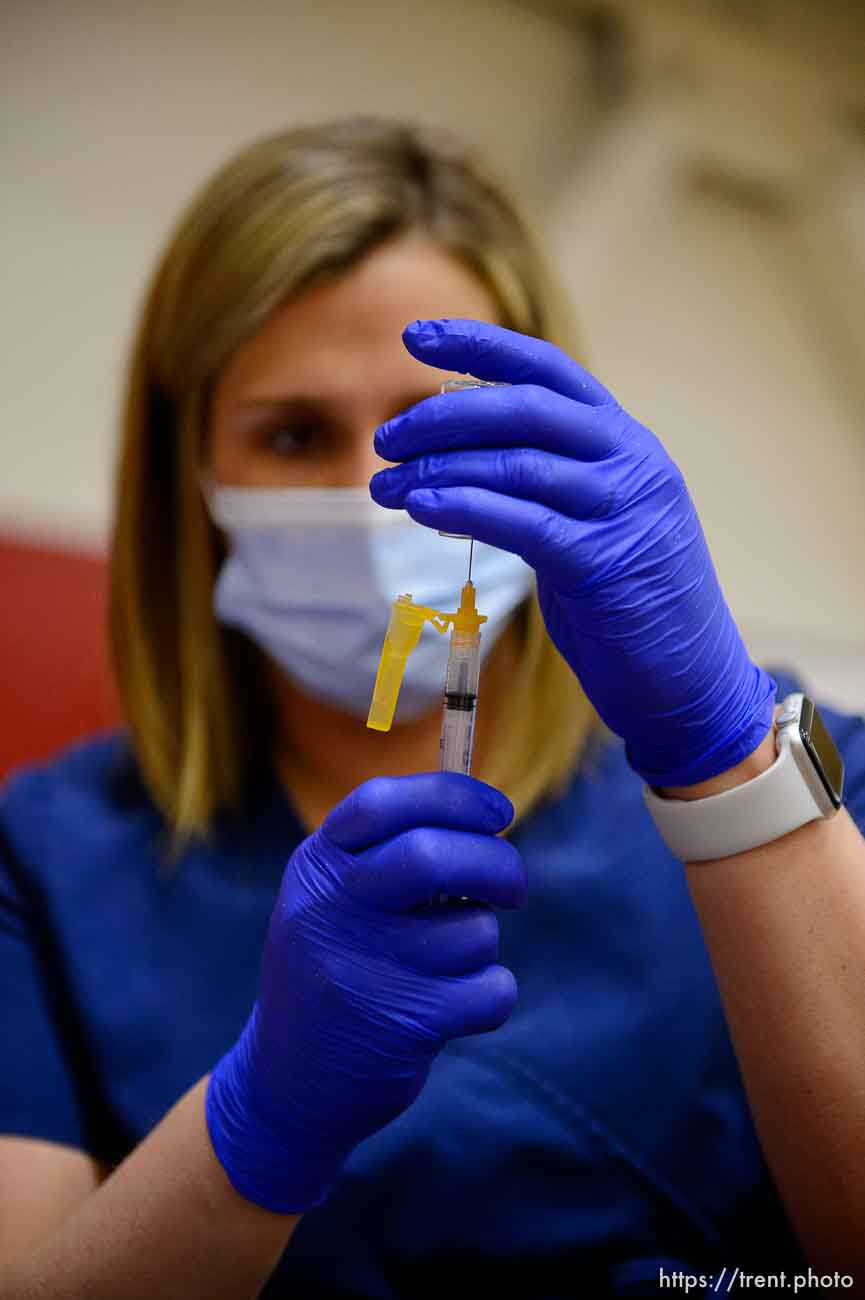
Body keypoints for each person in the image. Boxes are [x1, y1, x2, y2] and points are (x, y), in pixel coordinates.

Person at [1, 118, 864, 1300]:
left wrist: (729, 770)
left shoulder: (817, 788)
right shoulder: (40, 866)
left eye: (435, 426)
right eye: (295, 432)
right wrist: (253, 1130)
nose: (374, 494)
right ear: (190, 479)